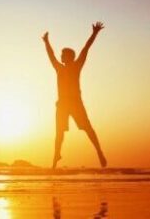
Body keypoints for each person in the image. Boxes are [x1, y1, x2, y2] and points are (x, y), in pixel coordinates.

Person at [42, 22, 107, 168]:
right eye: (61, 55)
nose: (60, 56)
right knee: (59, 133)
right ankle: (55, 158)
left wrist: (94, 33)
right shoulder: (59, 68)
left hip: (76, 103)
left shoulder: (76, 66)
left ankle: (99, 151)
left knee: (88, 128)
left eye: (63, 55)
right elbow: (51, 55)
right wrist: (46, 42)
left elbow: (85, 49)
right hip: (62, 104)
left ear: (69, 57)